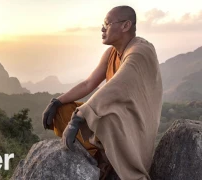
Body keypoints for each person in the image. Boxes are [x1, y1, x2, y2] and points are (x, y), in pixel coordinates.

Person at [42, 5, 162, 180]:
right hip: (111, 116)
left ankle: (113, 163)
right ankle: (100, 158)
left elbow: (116, 86)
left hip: (132, 126)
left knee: (104, 118)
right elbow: (88, 83)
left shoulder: (140, 51)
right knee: (62, 112)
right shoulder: (112, 53)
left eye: (107, 23)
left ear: (125, 25)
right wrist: (57, 102)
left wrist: (79, 116)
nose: (102, 29)